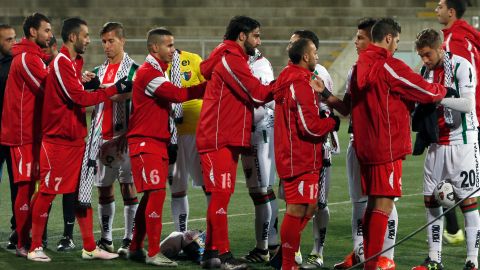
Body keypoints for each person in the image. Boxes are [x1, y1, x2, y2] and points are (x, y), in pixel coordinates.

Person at [27, 17, 129, 262]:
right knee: (48, 192)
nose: (89, 40)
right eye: (85, 35)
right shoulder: (61, 61)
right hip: (56, 141)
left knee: (81, 194)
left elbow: (79, 92)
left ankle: (90, 246)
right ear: (73, 37)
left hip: (75, 140)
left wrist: (91, 84)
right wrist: (112, 89)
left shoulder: (75, 63)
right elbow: (79, 99)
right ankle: (33, 246)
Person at [350, 18, 448, 270]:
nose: (396, 46)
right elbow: (426, 91)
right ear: (389, 38)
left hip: (366, 147)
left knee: (373, 204)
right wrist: (443, 90)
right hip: (387, 146)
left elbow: (351, 104)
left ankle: (366, 263)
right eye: (397, 40)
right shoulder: (388, 65)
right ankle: (371, 266)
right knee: (384, 205)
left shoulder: (359, 65)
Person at [196, 15, 278, 270]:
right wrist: (288, 80)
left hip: (226, 137)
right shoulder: (230, 58)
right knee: (220, 198)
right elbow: (258, 93)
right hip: (218, 137)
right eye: (256, 35)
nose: (258, 41)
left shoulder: (228, 55)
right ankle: (223, 255)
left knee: (220, 197)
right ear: (242, 36)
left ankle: (212, 254)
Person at [317, 19, 398, 270]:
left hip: (383, 146)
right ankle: (361, 252)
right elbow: (348, 108)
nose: (356, 41)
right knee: (359, 202)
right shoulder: (355, 69)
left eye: (361, 37)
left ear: (373, 39)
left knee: (386, 201)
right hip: (358, 143)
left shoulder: (389, 67)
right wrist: (326, 95)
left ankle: (387, 257)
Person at [126, 27, 205, 267]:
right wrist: (208, 86)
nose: (174, 50)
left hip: (155, 142)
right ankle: (152, 252)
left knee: (150, 195)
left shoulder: (156, 70)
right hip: (146, 142)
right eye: (169, 45)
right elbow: (178, 95)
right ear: (154, 48)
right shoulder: (149, 72)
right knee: (157, 194)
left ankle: (136, 247)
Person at [412, 28, 480, 270]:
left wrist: (437, 97)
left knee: (468, 202)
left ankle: (472, 260)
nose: (425, 60)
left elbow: (469, 104)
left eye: (428, 54)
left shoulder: (462, 66)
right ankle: (434, 259)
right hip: (436, 144)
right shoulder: (425, 72)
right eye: (421, 55)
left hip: (463, 143)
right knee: (431, 201)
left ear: (440, 48)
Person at [273, 37, 338, 270]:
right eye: (315, 52)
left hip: (302, 156)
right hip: (298, 157)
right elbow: (309, 126)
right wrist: (330, 123)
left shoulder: (291, 76)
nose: (317, 56)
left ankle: (285, 251)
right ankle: (287, 263)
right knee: (296, 209)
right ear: (306, 56)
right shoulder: (299, 82)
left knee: (309, 207)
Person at [0, 13, 52, 257]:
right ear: (33, 32)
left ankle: (26, 235)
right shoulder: (26, 59)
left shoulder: (34, 57)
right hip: (22, 133)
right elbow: (48, 90)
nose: (50, 35)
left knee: (31, 186)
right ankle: (22, 242)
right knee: (25, 187)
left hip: (33, 132)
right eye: (47, 30)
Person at [90, 22, 139, 257]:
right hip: (101, 139)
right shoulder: (98, 71)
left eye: (111, 41)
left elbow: (132, 100)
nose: (107, 46)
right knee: (103, 190)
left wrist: (130, 134)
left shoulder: (135, 71)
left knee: (128, 190)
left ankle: (129, 238)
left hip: (125, 139)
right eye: (104, 41)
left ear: (123, 41)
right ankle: (106, 239)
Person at [436, 0, 480, 246]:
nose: (436, 10)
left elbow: (457, 83)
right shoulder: (470, 36)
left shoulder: (454, 41)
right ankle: (455, 229)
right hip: (475, 114)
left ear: (451, 12)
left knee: (443, 178)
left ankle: (454, 230)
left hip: (465, 119)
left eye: (440, 6)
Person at [240, 48, 278, 263]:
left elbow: (260, 102)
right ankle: (270, 244)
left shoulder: (258, 65)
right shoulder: (252, 63)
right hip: (257, 130)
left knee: (260, 190)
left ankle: (263, 248)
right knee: (262, 190)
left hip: (259, 132)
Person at [166, 48, 207, 233]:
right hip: (170, 135)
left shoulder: (193, 58)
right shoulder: (156, 66)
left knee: (208, 185)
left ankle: (214, 234)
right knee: (177, 188)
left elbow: (209, 88)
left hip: (196, 131)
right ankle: (181, 234)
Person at [0, 23, 16, 250]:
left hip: (14, 134)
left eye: (14, 38)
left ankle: (18, 228)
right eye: (8, 40)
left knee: (18, 184)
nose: (13, 43)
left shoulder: (17, 63)